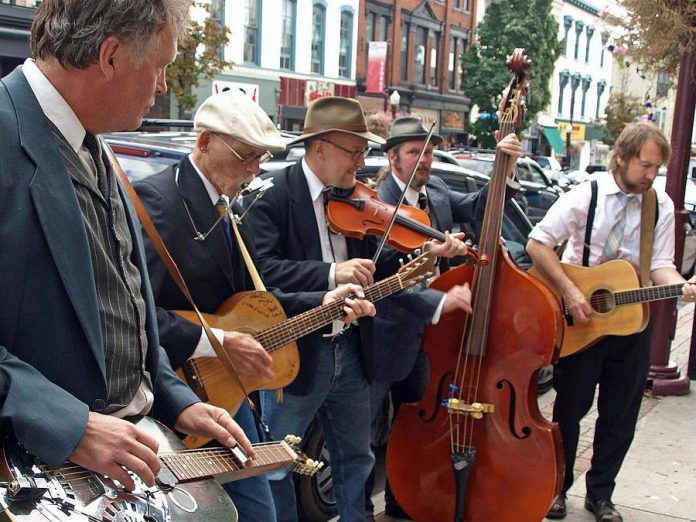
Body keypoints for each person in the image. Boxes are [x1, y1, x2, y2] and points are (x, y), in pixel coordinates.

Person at [0, 0, 256, 501]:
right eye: (160, 66)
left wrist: (173, 397)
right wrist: (68, 423)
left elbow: (123, 307)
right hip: (35, 482)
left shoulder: (94, 140)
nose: (163, 86)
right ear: (111, 55)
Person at [134, 90, 375, 520]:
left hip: (227, 391)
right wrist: (220, 342)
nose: (253, 170)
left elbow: (253, 298)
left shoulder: (227, 202)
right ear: (204, 142)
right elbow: (138, 314)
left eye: (259, 158)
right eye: (245, 156)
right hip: (177, 393)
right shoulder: (155, 201)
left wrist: (323, 300)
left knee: (259, 509)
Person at [247, 97, 472, 522]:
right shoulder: (272, 195)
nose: (360, 161)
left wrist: (426, 252)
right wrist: (332, 273)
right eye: (354, 151)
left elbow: (383, 268)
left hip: (349, 349)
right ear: (320, 149)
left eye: (362, 152)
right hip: (295, 354)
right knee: (276, 465)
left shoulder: (353, 199)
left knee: (357, 458)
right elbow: (262, 272)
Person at [527, 122, 696, 522]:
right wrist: (570, 291)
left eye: (657, 168)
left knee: (620, 415)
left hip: (633, 325)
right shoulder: (586, 195)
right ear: (621, 157)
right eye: (645, 165)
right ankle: (556, 490)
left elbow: (660, 266)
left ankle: (601, 496)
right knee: (569, 410)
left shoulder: (661, 205)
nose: (651, 175)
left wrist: (680, 286)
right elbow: (538, 243)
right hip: (582, 323)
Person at [364, 116, 522, 520]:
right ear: (394, 157)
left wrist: (503, 169)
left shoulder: (434, 191)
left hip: (433, 333)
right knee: (368, 431)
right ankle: (362, 508)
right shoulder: (378, 202)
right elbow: (386, 273)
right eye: (415, 152)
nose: (424, 160)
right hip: (389, 331)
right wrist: (435, 290)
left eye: (429, 152)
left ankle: (401, 498)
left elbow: (477, 207)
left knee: (413, 420)